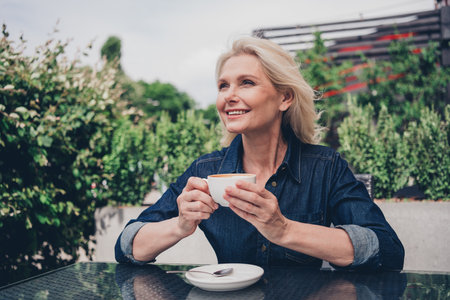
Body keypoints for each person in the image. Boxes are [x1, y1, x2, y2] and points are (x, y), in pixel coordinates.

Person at [115, 37, 404, 271]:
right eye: (223, 85)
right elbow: (126, 246)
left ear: (285, 97)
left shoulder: (325, 167)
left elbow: (388, 249)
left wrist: (284, 230)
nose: (229, 95)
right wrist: (179, 225)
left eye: (247, 83)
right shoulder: (205, 171)